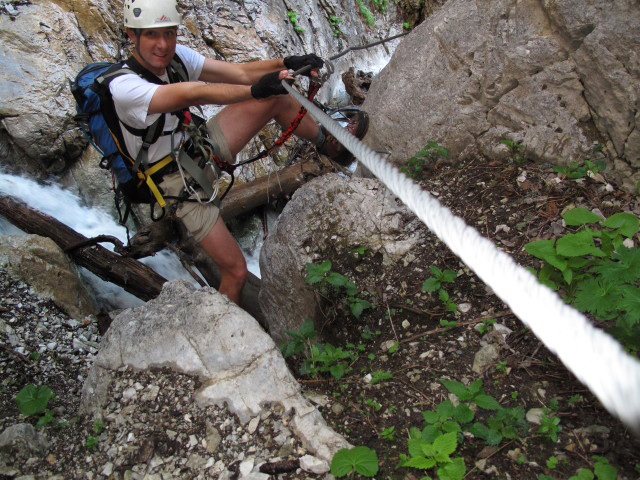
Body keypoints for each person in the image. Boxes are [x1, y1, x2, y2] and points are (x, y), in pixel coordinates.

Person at [113, 0, 368, 305]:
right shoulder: (124, 87)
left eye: (169, 33)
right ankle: (224, 332)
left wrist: (285, 62)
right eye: (153, 35)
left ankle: (329, 144)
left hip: (197, 147)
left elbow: (238, 72)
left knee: (276, 99)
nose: (163, 44)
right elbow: (195, 92)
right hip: (178, 185)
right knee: (234, 269)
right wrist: (255, 90)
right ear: (132, 35)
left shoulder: (175, 57)